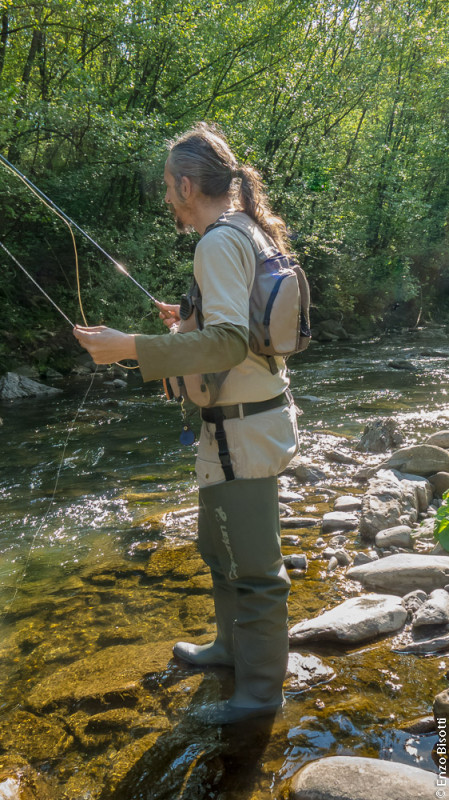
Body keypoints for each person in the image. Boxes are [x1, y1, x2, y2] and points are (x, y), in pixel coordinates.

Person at [74, 122, 299, 725]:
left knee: (254, 572)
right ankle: (229, 650)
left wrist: (131, 348)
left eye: (168, 188)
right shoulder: (245, 229)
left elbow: (226, 346)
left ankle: (258, 694)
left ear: (185, 183)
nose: (166, 199)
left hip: (244, 433)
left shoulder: (218, 242)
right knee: (219, 550)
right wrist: (188, 318)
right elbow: (239, 328)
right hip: (241, 425)